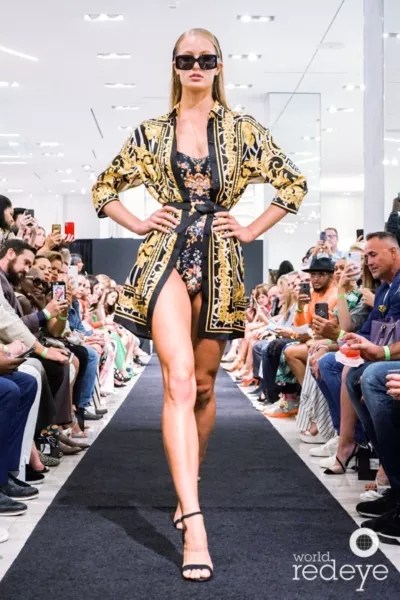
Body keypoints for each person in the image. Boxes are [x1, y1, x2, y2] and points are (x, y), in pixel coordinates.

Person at [92, 28, 307, 582]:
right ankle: (194, 520)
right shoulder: (151, 131)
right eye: (186, 58)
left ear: (218, 66)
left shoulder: (242, 129)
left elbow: (292, 183)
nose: (196, 65)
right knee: (180, 382)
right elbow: (104, 188)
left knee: (206, 387)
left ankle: (189, 482)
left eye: (205, 58)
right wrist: (138, 222)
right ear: (174, 65)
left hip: (221, 261)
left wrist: (252, 228)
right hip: (164, 256)